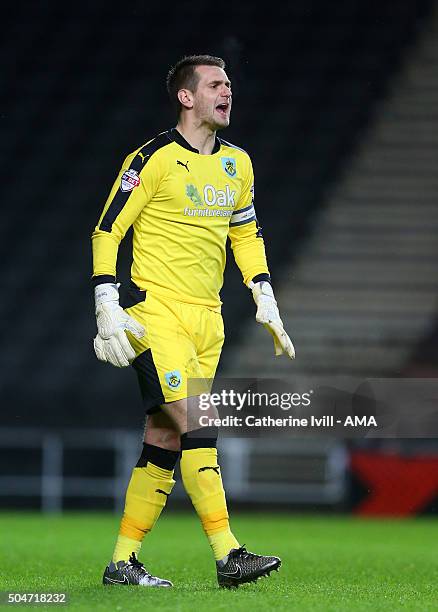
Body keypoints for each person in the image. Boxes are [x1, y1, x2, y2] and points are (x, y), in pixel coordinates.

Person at [91, 54, 295, 589]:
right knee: (196, 422)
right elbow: (107, 230)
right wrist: (105, 300)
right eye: (215, 84)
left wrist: (263, 289)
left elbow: (246, 234)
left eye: (230, 84)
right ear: (187, 96)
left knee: (163, 434)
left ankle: (122, 562)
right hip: (156, 313)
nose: (228, 91)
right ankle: (229, 553)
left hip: (210, 320)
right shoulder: (152, 158)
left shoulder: (239, 163)